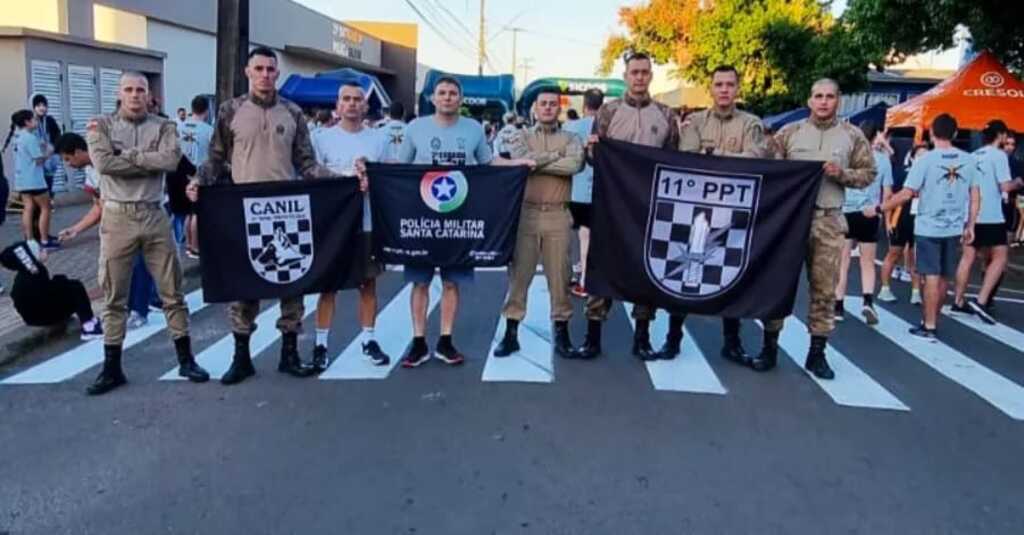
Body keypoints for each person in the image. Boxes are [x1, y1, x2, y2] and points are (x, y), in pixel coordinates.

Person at [190, 47, 341, 385]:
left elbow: (307, 164)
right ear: (248, 72)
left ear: (277, 73)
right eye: (259, 68)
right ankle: (241, 358)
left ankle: (289, 354)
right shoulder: (231, 111)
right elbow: (215, 159)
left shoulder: (293, 112)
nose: (265, 75)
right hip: (244, 210)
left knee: (293, 282)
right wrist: (199, 180)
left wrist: (343, 181)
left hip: (288, 210)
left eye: (271, 69)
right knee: (245, 283)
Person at [84, 71, 209, 395]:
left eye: (141, 90)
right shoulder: (102, 125)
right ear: (119, 93)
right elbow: (104, 164)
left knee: (173, 293)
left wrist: (129, 156)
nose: (135, 95)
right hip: (117, 217)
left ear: (150, 95)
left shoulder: (165, 126)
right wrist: (145, 161)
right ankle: (111, 367)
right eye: (129, 89)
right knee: (113, 296)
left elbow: (170, 160)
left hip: (155, 215)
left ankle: (185, 359)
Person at [395, 76, 529, 368]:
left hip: (459, 216)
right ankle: (418, 342)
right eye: (442, 93)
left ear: (461, 98)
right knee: (420, 282)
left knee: (452, 282)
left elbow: (488, 163)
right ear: (432, 98)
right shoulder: (415, 128)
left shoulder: (474, 129)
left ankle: (445, 340)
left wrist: (518, 165)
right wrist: (368, 167)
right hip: (423, 217)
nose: (447, 97)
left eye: (453, 93)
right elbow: (398, 168)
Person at [762, 79, 876, 378]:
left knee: (824, 289)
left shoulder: (852, 136)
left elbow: (868, 174)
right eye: (818, 96)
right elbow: (768, 169)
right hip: (790, 221)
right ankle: (769, 346)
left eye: (829, 96)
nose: (823, 102)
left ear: (838, 100)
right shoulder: (790, 133)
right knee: (777, 284)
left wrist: (843, 174)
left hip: (827, 218)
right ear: (809, 100)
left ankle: (817, 353)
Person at [575, 51, 680, 361]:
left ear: (651, 76)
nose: (639, 77)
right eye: (634, 72)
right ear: (625, 76)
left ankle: (642, 337)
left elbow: (674, 159)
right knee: (602, 266)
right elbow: (595, 159)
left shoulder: (666, 114)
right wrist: (593, 150)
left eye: (645, 72)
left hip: (651, 208)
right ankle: (593, 337)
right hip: (611, 205)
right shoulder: (607, 112)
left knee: (646, 269)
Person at [677, 65, 772, 364]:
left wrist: (715, 156)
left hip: (734, 213)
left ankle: (731, 341)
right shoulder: (695, 122)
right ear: (711, 88)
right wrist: (727, 158)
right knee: (683, 273)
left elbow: (757, 157)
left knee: (731, 274)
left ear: (738, 88)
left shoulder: (751, 123)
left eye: (730, 84)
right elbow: (688, 157)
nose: (724, 90)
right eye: (719, 84)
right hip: (695, 208)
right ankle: (672, 337)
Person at [493, 88, 583, 359]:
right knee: (519, 277)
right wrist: (556, 156)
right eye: (542, 103)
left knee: (560, 277)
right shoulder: (520, 136)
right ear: (534, 108)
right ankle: (511, 334)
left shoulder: (572, 137)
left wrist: (536, 161)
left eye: (552, 104)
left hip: (558, 214)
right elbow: (521, 163)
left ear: (559, 108)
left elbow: (575, 165)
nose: (547, 108)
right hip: (526, 214)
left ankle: (562, 335)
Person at [309, 82, 391, 371]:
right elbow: (312, 176)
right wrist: (347, 178)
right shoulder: (321, 138)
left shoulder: (379, 139)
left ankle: (368, 338)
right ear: (338, 104)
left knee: (367, 283)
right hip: (334, 224)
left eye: (358, 99)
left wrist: (372, 179)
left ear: (366, 106)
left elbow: (389, 178)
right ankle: (321, 344)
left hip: (367, 221)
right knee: (328, 285)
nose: (353, 104)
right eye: (347, 98)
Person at [880, 113, 979, 341]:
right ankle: (933, 319)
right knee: (944, 276)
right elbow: (975, 195)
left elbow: (907, 193)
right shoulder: (969, 160)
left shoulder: (925, 160)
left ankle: (929, 323)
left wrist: (881, 208)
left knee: (931, 276)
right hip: (954, 226)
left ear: (932, 133)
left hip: (928, 225)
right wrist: (970, 224)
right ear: (955, 133)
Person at [55, 132, 160, 330]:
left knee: (139, 263)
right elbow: (99, 206)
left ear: (78, 152)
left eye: (67, 159)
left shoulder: (113, 161)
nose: (67, 164)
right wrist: (76, 229)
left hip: (142, 214)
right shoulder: (90, 173)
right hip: (119, 222)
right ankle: (129, 306)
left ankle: (140, 310)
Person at [950, 120, 1023, 324]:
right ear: (999, 135)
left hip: (970, 213)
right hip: (991, 214)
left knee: (967, 257)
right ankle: (981, 301)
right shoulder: (998, 156)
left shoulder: (973, 156)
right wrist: (1018, 182)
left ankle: (958, 300)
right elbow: (1005, 186)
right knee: (1000, 256)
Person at [834, 121, 892, 326]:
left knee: (843, 262)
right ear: (875, 136)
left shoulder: (845, 157)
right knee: (867, 262)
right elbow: (888, 191)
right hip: (869, 213)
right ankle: (868, 301)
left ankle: (838, 306)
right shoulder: (883, 160)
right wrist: (884, 214)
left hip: (846, 211)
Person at [0, 240, 103, 340]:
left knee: (66, 287)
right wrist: (61, 281)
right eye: (40, 250)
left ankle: (74, 319)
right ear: (31, 257)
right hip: (44, 316)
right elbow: (48, 293)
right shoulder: (37, 273)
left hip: (30, 318)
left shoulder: (23, 274)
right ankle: (89, 326)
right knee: (76, 287)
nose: (44, 251)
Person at [562, 88, 604, 299]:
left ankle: (577, 277)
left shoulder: (570, 127)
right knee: (589, 236)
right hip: (600, 190)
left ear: (584, 105)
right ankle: (585, 276)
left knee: (568, 236)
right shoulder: (608, 127)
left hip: (574, 189)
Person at [878, 144, 927, 304]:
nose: (922, 159)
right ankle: (884, 289)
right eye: (919, 156)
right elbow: (889, 198)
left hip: (920, 220)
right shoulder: (901, 174)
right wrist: (887, 222)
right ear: (912, 158)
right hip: (900, 220)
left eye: (926, 156)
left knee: (916, 257)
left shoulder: (931, 176)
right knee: (894, 253)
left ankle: (915, 292)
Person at [5, 110, 57, 249]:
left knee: (28, 208)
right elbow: (39, 159)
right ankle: (45, 241)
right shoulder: (29, 137)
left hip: (22, 180)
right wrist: (49, 152)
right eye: (33, 119)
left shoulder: (18, 137)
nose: (36, 121)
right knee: (46, 207)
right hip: (34, 179)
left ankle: (30, 240)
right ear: (27, 122)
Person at [177, 95, 214, 259]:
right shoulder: (208, 130)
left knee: (187, 213)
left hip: (181, 172)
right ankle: (196, 247)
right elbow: (214, 154)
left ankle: (188, 246)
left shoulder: (180, 127)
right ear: (206, 110)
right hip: (199, 174)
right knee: (197, 213)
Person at [31, 94, 62, 201]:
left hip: (49, 158)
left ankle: (49, 200)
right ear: (33, 107)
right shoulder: (30, 121)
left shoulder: (50, 120)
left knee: (48, 180)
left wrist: (52, 147)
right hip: (35, 158)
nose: (42, 108)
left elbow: (58, 136)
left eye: (44, 105)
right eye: (38, 105)